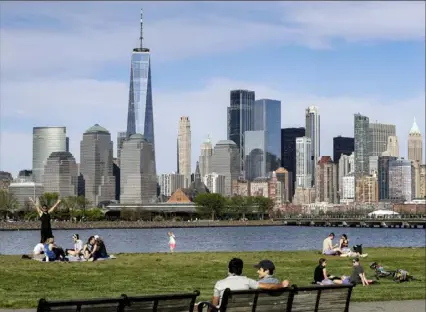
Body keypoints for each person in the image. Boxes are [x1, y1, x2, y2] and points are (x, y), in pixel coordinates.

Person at [211, 258, 289, 308]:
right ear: (241, 270)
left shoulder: (219, 283)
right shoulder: (249, 282)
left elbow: (213, 306)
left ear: (228, 269)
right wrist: (282, 284)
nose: (257, 271)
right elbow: (270, 287)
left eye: (259, 269)